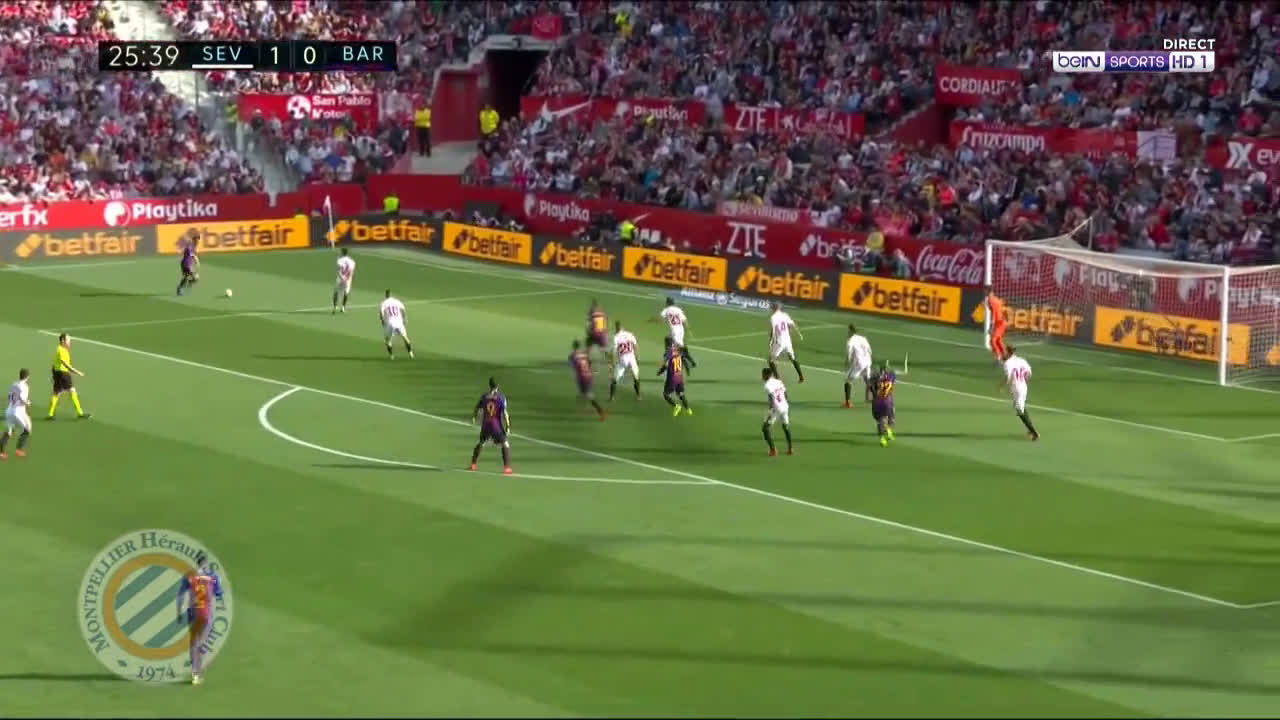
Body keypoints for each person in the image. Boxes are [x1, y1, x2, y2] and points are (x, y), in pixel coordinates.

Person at [175, 552, 223, 686]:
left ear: (197, 562)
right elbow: (218, 595)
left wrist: (179, 612)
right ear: (206, 563)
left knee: (193, 643)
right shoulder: (213, 577)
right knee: (202, 642)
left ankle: (195, 673)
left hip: (193, 613)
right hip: (206, 613)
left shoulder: (189, 577)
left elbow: (180, 595)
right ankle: (199, 669)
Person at [470, 377, 512, 474]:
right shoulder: (501, 398)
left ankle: (473, 464)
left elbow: (477, 407)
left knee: (481, 443)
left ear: (489, 385)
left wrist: (474, 417)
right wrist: (508, 426)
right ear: (498, 386)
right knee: (505, 444)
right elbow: (505, 413)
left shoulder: (484, 397)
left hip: (485, 425)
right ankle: (506, 468)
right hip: (495, 426)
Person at [48, 333, 89, 420]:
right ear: (63, 341)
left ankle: (50, 414)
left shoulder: (60, 349)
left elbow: (55, 364)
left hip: (58, 373)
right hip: (63, 374)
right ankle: (80, 413)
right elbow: (66, 365)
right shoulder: (61, 350)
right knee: (72, 390)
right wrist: (77, 372)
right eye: (68, 340)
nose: (70, 342)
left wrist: (54, 375)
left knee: (56, 393)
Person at [1002, 347, 1039, 440]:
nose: (1003, 354)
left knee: (1019, 410)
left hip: (1016, 388)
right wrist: (1022, 380)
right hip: (1023, 387)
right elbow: (1029, 373)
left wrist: (1004, 387)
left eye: (1004, 352)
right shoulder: (1022, 360)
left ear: (1009, 353)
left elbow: (1009, 377)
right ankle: (1030, 430)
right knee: (1020, 408)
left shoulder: (1007, 363)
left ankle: (1034, 432)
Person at [766, 302, 805, 382]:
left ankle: (777, 378)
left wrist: (770, 340)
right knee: (792, 358)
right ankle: (801, 376)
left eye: (771, 308)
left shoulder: (773, 317)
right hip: (787, 341)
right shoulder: (785, 315)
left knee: (770, 360)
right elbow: (792, 324)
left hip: (779, 341)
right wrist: (799, 333)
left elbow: (773, 330)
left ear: (773, 309)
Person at [761, 367, 793, 456]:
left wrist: (771, 409)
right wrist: (784, 402)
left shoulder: (767, 385)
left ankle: (773, 450)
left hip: (776, 408)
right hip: (785, 406)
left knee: (765, 428)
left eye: (763, 375)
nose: (762, 377)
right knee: (785, 426)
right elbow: (785, 394)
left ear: (766, 375)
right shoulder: (778, 381)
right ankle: (790, 448)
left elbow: (771, 397)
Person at [1, 368, 32, 460]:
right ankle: (19, 450)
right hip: (17, 412)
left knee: (9, 431)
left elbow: (10, 396)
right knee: (27, 430)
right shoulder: (25, 386)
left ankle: (1, 452)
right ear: (27, 377)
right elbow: (22, 399)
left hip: (9, 410)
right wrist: (28, 403)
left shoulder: (13, 384)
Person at [657, 336, 692, 417]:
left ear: (666, 343)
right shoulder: (678, 350)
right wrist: (687, 370)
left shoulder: (668, 352)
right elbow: (683, 360)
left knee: (666, 394)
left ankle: (677, 406)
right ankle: (688, 409)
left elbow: (665, 364)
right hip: (679, 376)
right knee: (681, 394)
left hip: (672, 377)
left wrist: (660, 371)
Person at [609, 321, 641, 401]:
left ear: (616, 328)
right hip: (631, 358)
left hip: (622, 359)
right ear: (622, 327)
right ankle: (638, 396)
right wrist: (637, 357)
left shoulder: (616, 337)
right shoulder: (630, 334)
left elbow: (614, 351)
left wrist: (612, 362)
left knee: (615, 379)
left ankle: (611, 397)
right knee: (636, 377)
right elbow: (636, 346)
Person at [843, 324, 873, 408]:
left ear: (850, 331)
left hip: (859, 363)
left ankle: (848, 403)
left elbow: (849, 353)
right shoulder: (863, 338)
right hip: (868, 362)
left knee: (848, 380)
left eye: (848, 331)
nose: (847, 332)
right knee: (867, 379)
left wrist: (847, 361)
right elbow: (870, 351)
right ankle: (876, 398)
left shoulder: (850, 341)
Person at [378, 290, 414, 359]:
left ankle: (391, 356)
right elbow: (403, 309)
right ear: (391, 295)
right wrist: (405, 318)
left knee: (388, 340)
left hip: (390, 323)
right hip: (399, 321)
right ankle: (411, 353)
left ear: (386, 295)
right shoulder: (397, 301)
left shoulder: (383, 303)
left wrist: (382, 321)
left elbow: (381, 313)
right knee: (405, 337)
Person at [985, 286, 1008, 364]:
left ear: (988, 291)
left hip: (1000, 322)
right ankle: (1005, 355)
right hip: (1002, 321)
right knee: (998, 340)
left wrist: (991, 326)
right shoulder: (996, 299)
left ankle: (998, 356)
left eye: (985, 291)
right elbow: (999, 309)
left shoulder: (990, 300)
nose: (985, 292)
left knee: (993, 340)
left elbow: (994, 313)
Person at [177, 230, 200, 296]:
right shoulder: (190, 246)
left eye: (198, 240)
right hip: (186, 264)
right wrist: (196, 260)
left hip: (188, 264)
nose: (198, 242)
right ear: (194, 240)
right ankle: (182, 287)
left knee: (188, 277)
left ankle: (182, 286)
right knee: (193, 277)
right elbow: (191, 254)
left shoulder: (193, 246)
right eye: (197, 240)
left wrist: (195, 261)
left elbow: (192, 255)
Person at [333, 247, 355, 314]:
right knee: (346, 293)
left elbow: (339, 270)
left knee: (336, 292)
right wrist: (347, 279)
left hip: (340, 278)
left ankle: (335, 307)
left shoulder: (339, 260)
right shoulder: (352, 261)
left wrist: (342, 278)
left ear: (342, 252)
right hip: (348, 279)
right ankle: (343, 307)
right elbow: (351, 271)